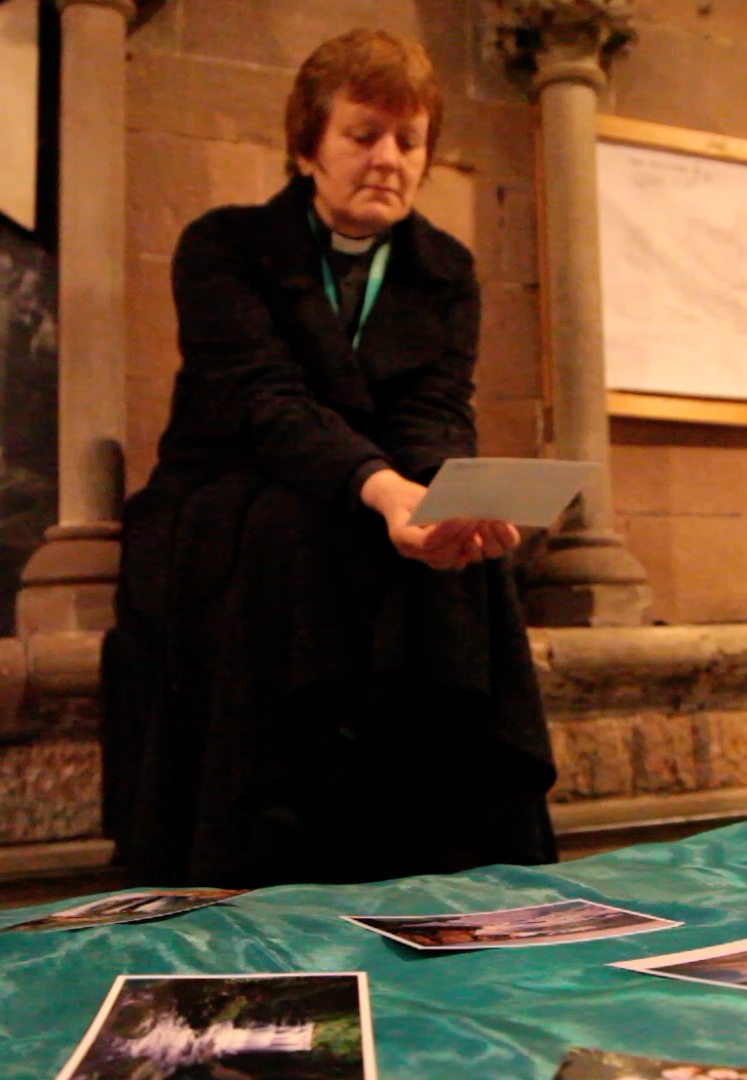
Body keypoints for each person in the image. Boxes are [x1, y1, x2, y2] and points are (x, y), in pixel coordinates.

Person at [101, 28, 558, 889]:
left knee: (470, 557)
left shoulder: (444, 267)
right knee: (297, 524)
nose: (388, 159)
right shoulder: (224, 246)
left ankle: (459, 845)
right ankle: (270, 844)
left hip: (371, 489)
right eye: (363, 134)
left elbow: (433, 406)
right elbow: (264, 402)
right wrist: (385, 493)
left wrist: (444, 495)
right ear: (307, 143)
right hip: (232, 490)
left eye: (408, 140)